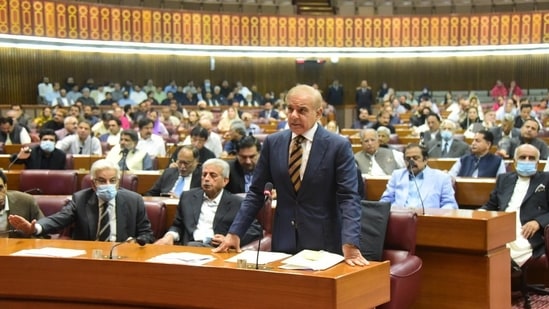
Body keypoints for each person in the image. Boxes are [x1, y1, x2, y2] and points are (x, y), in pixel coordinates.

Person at [214, 84, 368, 266]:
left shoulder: (338, 146)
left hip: (324, 242)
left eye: (302, 110)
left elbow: (349, 197)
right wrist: (235, 233)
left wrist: (350, 243)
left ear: (318, 113)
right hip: (283, 239)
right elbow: (256, 192)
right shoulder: (273, 143)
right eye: (290, 109)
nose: (294, 115)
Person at [8, 159, 155, 243]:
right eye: (102, 181)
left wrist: (137, 242)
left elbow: (147, 234)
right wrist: (35, 228)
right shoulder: (81, 199)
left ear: (118, 182)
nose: (108, 185)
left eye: (113, 180)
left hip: (123, 256)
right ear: (93, 183)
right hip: (89, 256)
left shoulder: (134, 200)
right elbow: (59, 219)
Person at [154, 159, 262, 247]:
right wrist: (169, 236)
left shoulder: (237, 202)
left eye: (213, 175)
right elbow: (177, 225)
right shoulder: (187, 197)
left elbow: (255, 230)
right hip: (189, 248)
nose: (206, 179)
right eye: (204, 175)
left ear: (225, 181)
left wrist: (230, 239)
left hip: (218, 250)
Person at [480, 144, 549, 267]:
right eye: (523, 157)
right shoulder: (504, 179)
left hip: (528, 232)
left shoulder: (546, 179)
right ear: (515, 162)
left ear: (537, 163)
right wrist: (478, 213)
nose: (527, 161)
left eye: (531, 158)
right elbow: (491, 205)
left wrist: (538, 222)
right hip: (502, 226)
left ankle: (509, 268)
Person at [380, 143, 458, 210]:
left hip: (429, 221)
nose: (411, 161)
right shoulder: (397, 175)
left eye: (415, 158)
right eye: (407, 159)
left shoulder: (441, 178)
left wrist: (435, 216)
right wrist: (396, 211)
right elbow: (385, 201)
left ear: (425, 160)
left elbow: (450, 205)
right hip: (400, 219)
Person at [0, 169, 44, 236]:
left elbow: (43, 232)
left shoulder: (26, 201)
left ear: (5, 187)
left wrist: (31, 231)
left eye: (0, 188)